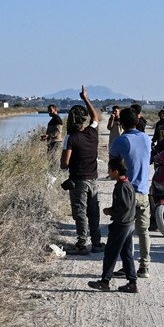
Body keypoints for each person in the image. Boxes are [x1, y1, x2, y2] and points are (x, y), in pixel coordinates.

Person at [109, 107, 153, 277]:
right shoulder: (146, 138)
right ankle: (145, 266)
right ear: (137, 121)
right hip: (143, 190)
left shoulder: (121, 141)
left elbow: (114, 165)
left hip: (127, 192)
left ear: (121, 123)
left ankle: (128, 267)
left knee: (125, 232)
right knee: (143, 231)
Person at [87, 156, 139, 293]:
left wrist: (109, 211)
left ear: (116, 172)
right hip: (129, 224)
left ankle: (105, 282)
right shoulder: (128, 184)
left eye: (110, 170)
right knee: (126, 254)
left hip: (121, 225)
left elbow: (125, 207)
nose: (108, 173)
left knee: (111, 253)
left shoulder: (121, 187)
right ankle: (132, 283)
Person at [61, 85, 102, 254]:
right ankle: (97, 243)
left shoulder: (71, 138)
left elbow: (64, 163)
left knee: (80, 213)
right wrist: (85, 98)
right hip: (93, 180)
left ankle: (82, 244)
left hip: (79, 181)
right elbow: (95, 117)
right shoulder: (92, 133)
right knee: (93, 213)